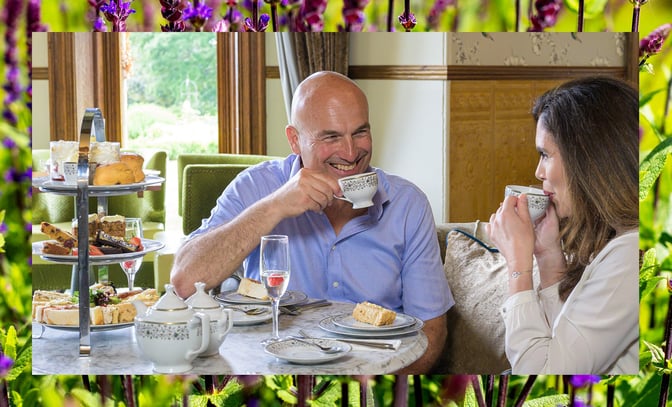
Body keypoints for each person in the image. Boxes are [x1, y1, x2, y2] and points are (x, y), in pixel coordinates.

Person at [171, 71, 454, 373]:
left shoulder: (408, 204)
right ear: (295, 140)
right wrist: (275, 206)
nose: (350, 152)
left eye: (360, 132)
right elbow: (186, 281)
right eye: (331, 137)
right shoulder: (256, 188)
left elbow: (432, 332)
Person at [486, 76, 638, 374]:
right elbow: (563, 340)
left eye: (545, 155)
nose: (538, 171)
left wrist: (519, 266)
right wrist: (547, 254)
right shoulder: (616, 239)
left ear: (589, 159)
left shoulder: (630, 256)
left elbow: (544, 378)